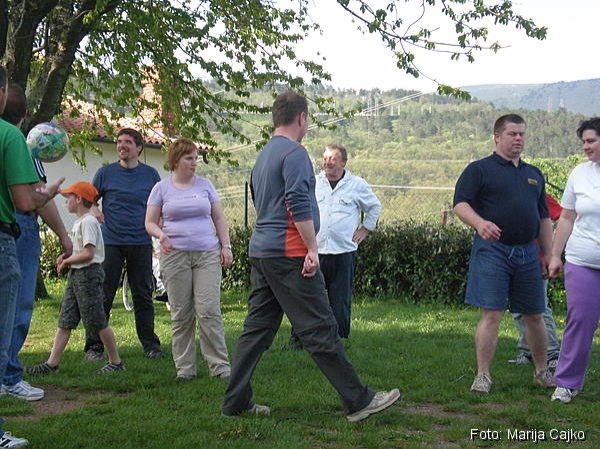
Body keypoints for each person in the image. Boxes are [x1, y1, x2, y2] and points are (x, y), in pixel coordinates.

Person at [221, 91, 400, 422]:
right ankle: (359, 400)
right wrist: (312, 249)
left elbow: (262, 203)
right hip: (290, 253)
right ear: (301, 118)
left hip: (262, 251)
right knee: (319, 327)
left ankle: (235, 402)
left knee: (256, 330)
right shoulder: (295, 153)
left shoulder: (264, 155)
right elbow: (297, 202)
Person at [453, 113, 555, 394]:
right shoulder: (479, 169)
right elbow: (460, 204)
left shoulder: (534, 174)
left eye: (522, 134)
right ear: (497, 137)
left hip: (528, 252)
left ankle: (541, 371)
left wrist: (548, 254)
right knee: (492, 315)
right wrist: (480, 223)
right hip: (493, 251)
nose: (518, 138)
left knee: (535, 314)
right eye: (512, 134)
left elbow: (544, 218)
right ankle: (483, 375)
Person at [0, 65, 64, 449]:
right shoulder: (14, 139)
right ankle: (8, 381)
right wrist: (48, 195)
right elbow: (27, 201)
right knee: (7, 320)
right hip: (7, 235)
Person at [145, 138, 232, 381]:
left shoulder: (206, 186)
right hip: (175, 256)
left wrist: (226, 246)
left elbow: (219, 218)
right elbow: (149, 222)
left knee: (208, 311)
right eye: (189, 158)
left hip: (207, 254)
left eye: (196, 158)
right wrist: (161, 235)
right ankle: (185, 370)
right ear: (176, 160)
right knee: (181, 314)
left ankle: (220, 367)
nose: (194, 163)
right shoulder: (161, 188)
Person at [286, 143, 381, 349]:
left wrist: (365, 229)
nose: (328, 162)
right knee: (307, 297)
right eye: (325, 158)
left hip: (343, 252)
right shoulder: (313, 182)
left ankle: (337, 340)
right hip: (315, 251)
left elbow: (374, 207)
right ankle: (300, 339)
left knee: (339, 299)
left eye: (333, 158)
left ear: (344, 162)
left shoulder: (356, 185)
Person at [27, 182, 124, 376]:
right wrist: (67, 257)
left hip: (88, 275)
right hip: (77, 274)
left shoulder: (88, 222)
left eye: (68, 198)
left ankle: (116, 362)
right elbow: (81, 250)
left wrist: (66, 262)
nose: (66, 202)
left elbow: (89, 253)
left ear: (79, 199)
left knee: (97, 320)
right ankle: (52, 363)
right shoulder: (80, 221)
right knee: (66, 318)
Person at [84, 128, 164, 361]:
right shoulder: (105, 173)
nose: (122, 145)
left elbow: (159, 206)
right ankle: (94, 347)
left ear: (138, 147)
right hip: (111, 242)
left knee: (143, 295)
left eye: (128, 142)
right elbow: (89, 200)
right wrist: (95, 209)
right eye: (119, 141)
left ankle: (151, 346)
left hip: (140, 241)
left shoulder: (150, 175)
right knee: (104, 294)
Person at [548, 117, 600, 403]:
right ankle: (566, 383)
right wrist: (555, 255)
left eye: (591, 141)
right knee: (579, 320)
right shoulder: (579, 174)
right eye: (584, 141)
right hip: (582, 260)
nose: (585, 147)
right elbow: (567, 217)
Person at [508, 193, 562, 368]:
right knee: (518, 309)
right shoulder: (506, 192)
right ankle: (527, 351)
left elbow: (563, 217)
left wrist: (552, 249)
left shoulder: (538, 193)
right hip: (512, 258)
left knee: (539, 308)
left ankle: (552, 353)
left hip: (536, 260)